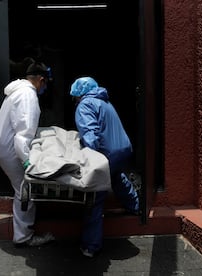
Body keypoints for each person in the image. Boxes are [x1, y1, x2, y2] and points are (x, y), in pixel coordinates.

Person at [70, 76, 140, 258]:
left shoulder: (85, 105)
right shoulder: (105, 102)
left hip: (107, 154)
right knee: (117, 178)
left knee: (95, 196)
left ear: (78, 93)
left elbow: (90, 134)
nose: (74, 100)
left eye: (74, 96)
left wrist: (88, 159)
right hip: (123, 150)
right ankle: (135, 206)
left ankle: (90, 246)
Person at [0, 60, 55, 247]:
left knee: (22, 187)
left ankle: (22, 233)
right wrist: (28, 163)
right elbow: (22, 136)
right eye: (45, 84)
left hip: (0, 141)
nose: (45, 88)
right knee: (27, 189)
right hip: (8, 146)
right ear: (41, 80)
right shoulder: (28, 96)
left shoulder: (18, 90)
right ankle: (23, 237)